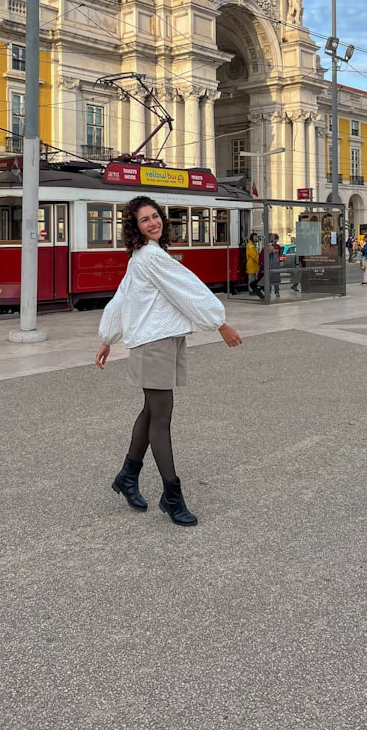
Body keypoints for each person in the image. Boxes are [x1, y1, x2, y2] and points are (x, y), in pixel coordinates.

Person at [95, 196, 242, 527]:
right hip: (153, 344)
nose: (154, 223)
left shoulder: (145, 257)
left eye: (155, 216)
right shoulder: (149, 258)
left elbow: (122, 298)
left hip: (163, 341)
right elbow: (188, 290)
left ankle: (128, 476)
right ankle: (172, 496)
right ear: (136, 227)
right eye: (145, 220)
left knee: (151, 413)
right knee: (161, 419)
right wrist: (220, 322)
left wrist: (107, 337)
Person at [245, 231, 263, 298]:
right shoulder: (251, 246)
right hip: (252, 264)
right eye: (255, 237)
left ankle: (252, 290)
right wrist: (259, 261)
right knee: (251, 279)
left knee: (253, 278)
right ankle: (251, 290)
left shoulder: (251, 245)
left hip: (253, 264)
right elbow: (254, 256)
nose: (256, 238)